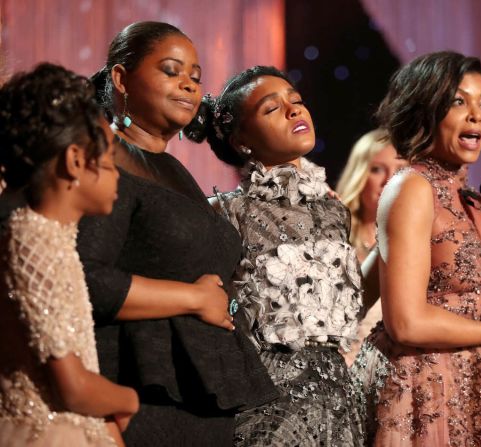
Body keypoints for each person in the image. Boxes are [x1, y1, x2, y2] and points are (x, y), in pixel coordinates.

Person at [77, 22, 277, 446]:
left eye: (196, 77)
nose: (188, 85)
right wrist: (194, 298)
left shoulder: (174, 171)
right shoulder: (105, 160)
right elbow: (82, 280)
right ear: (120, 78)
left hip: (197, 392)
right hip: (138, 393)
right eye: (171, 71)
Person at [352, 51, 481, 446]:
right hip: (428, 386)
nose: (476, 116)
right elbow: (406, 323)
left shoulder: (472, 198)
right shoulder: (412, 187)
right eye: (458, 102)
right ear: (424, 109)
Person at [185, 65, 365, 445]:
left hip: (338, 403)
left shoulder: (336, 212)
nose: (294, 110)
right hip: (265, 405)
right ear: (241, 140)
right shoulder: (226, 212)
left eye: (296, 101)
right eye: (272, 109)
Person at [0, 63, 138, 446]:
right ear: (76, 161)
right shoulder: (30, 236)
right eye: (109, 162)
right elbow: (73, 388)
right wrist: (128, 399)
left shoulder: (52, 236)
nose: (117, 177)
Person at [336, 128, 407, 365]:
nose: (388, 180)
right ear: (359, 174)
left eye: (400, 171)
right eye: (377, 169)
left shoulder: (420, 245)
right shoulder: (334, 238)